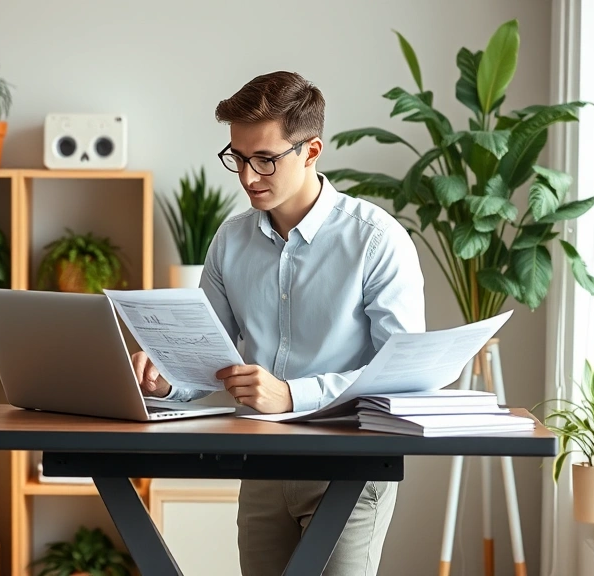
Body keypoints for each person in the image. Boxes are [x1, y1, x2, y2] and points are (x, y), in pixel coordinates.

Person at [131, 71, 425, 576]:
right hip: (262, 464)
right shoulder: (230, 240)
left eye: (265, 159)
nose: (247, 177)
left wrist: (293, 395)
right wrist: (165, 378)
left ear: (311, 151)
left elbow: (404, 377)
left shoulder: (376, 240)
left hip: (349, 469)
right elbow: (206, 356)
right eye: (237, 158)